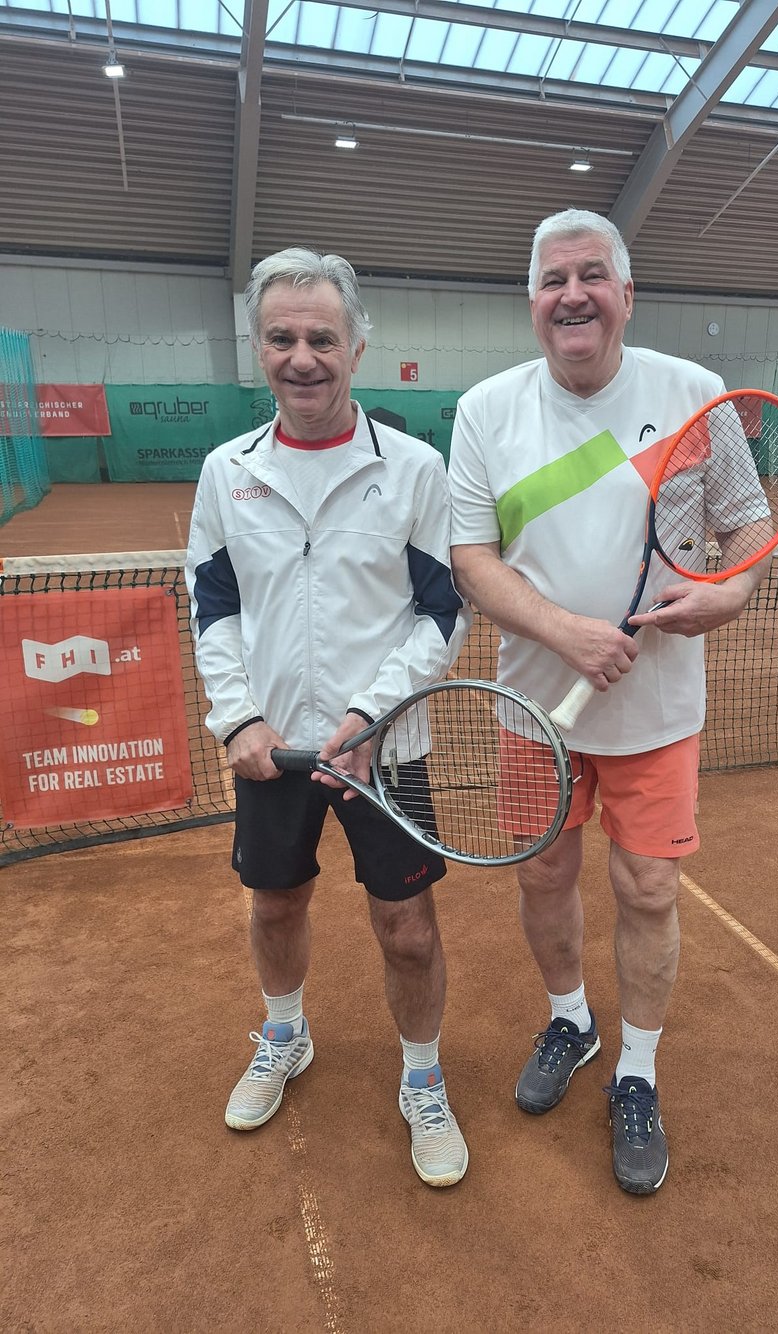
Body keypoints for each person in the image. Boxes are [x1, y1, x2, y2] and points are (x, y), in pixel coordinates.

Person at [447, 209, 771, 1195]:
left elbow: (745, 530)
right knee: (544, 875)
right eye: (554, 279)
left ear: (626, 294)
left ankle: (637, 1067)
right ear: (532, 302)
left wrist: (725, 596)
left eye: (593, 275)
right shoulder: (485, 409)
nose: (573, 294)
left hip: (655, 712)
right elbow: (471, 559)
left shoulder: (696, 394)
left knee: (648, 890)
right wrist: (565, 632)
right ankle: (570, 1019)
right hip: (531, 709)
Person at [185, 247, 472, 1188]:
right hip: (272, 750)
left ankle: (423, 1080)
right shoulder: (226, 472)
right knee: (275, 904)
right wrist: (239, 721)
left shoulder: (415, 469)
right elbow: (213, 606)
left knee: (409, 929)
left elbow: (442, 612)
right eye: (281, 338)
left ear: (356, 348)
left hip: (384, 750)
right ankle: (285, 1034)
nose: (301, 357)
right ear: (257, 348)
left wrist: (369, 715)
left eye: (321, 338)